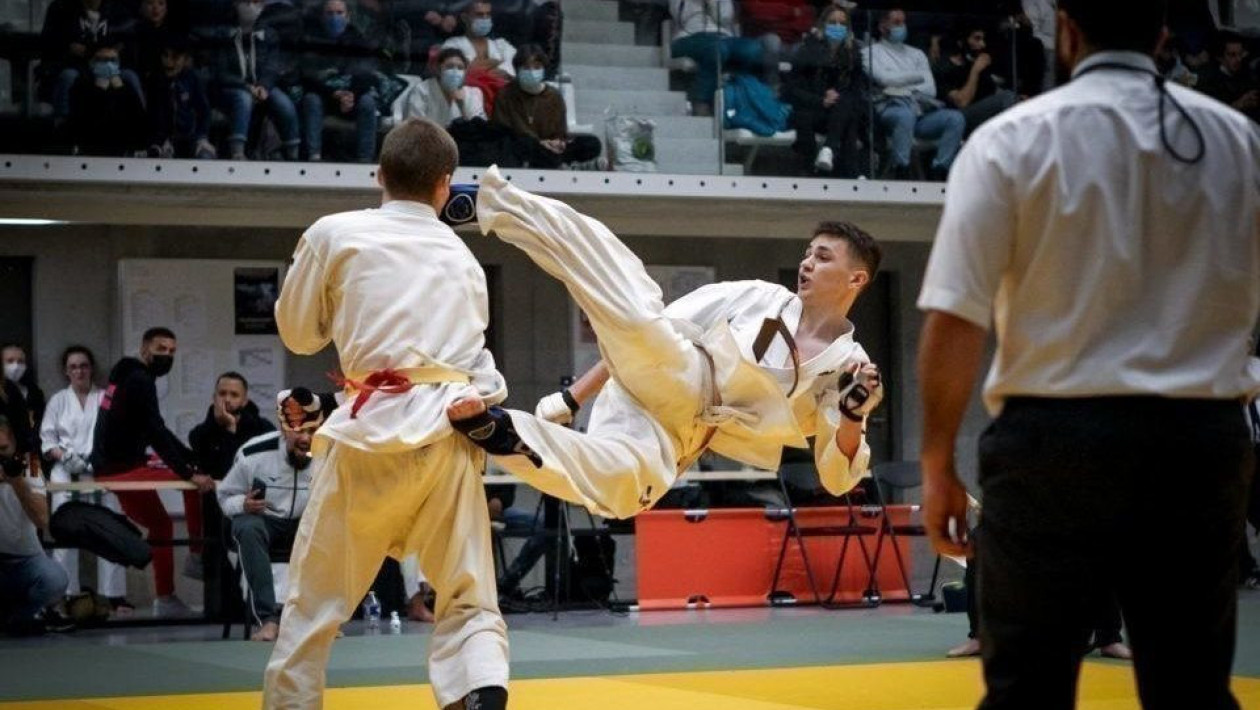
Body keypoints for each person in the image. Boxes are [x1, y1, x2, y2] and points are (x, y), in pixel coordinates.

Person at [916, 0, 1260, 707]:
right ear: (1162, 36)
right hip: (1200, 441)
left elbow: (955, 318)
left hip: (1054, 443)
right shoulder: (1236, 138)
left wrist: (936, 463)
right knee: (1192, 687)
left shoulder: (1012, 137)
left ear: (1065, 30)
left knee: (1026, 689)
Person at [446, 167, 884, 528]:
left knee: (620, 492)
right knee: (636, 313)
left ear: (856, 279)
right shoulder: (760, 297)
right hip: (681, 373)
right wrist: (570, 397)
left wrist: (852, 415)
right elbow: (649, 334)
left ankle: (501, 430)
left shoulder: (849, 367)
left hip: (683, 432)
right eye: (808, 253)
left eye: (823, 258)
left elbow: (837, 477)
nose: (807, 263)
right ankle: (492, 204)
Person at [264, 118, 510, 710]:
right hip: (450, 430)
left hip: (371, 433)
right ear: (445, 185)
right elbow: (475, 361)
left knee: (312, 606)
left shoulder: (335, 233)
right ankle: (477, 690)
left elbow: (298, 335)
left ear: (378, 173)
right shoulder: (465, 259)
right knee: (468, 597)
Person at [91, 327, 214, 617]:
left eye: (172, 351)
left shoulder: (126, 375)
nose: (167, 356)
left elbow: (152, 428)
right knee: (193, 488)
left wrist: (189, 459)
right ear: (145, 350)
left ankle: (168, 594)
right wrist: (188, 470)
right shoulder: (140, 381)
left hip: (120, 462)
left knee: (167, 517)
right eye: (161, 350)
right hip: (119, 470)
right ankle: (193, 560)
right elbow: (155, 432)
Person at [217, 388, 315, 642]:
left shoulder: (329, 455)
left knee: (338, 529)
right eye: (299, 431)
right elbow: (225, 496)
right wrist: (244, 504)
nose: (306, 439)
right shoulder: (253, 453)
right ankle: (269, 619)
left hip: (303, 525)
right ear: (284, 430)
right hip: (265, 522)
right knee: (247, 527)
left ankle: (321, 620)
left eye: (312, 431)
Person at [39, 345, 130, 612]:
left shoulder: (105, 398)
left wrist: (99, 457)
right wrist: (65, 456)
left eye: (84, 365)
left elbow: (118, 437)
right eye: (73, 366)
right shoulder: (58, 401)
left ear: (92, 368)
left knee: (110, 533)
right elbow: (47, 440)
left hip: (100, 475)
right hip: (66, 476)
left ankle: (113, 596)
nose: (79, 370)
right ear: (66, 371)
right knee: (66, 538)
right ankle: (65, 594)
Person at [863, 8, 966, 180]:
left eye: (903, 22)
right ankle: (901, 168)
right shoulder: (870, 52)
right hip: (888, 111)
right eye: (896, 23)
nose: (902, 26)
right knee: (904, 115)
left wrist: (898, 84)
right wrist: (915, 78)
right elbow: (884, 79)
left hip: (921, 114)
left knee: (955, 118)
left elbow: (930, 89)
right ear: (882, 26)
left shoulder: (917, 54)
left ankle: (940, 169)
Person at [206, 0, 302, 160]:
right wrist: (246, 87)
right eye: (246, 2)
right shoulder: (223, 34)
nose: (251, 7)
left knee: (283, 102)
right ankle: (238, 152)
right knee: (243, 99)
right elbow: (220, 72)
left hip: (261, 87)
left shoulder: (269, 35)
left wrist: (264, 86)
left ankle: (294, 154)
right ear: (236, 5)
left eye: (256, 2)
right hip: (231, 88)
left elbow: (272, 67)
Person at [0, 417, 69, 636]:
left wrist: (17, 481)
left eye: (3, 449)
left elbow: (42, 520)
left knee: (55, 579)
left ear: (13, 441)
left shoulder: (30, 463)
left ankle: (17, 619)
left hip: (26, 560)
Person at [783, 5, 869, 177]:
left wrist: (837, 95)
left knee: (847, 104)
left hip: (838, 113)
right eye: (833, 22)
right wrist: (821, 99)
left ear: (848, 28)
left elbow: (858, 89)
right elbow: (791, 89)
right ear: (823, 25)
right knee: (846, 111)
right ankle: (852, 172)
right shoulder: (807, 50)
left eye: (842, 23)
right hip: (812, 110)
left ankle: (829, 150)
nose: (837, 27)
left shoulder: (853, 54)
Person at [493, 44, 601, 169]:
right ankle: (562, 163)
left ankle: (559, 161)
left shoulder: (554, 96)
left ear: (544, 69)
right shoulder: (505, 95)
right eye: (526, 68)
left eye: (537, 67)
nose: (532, 72)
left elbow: (560, 132)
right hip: (522, 148)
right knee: (520, 146)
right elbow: (501, 131)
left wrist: (557, 143)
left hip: (549, 148)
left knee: (591, 144)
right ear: (517, 70)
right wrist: (537, 143)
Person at [300, 0, 381, 163]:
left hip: (352, 98)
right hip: (324, 96)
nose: (334, 17)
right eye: (329, 13)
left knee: (368, 102)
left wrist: (351, 94)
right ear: (322, 17)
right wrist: (333, 93)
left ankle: (365, 159)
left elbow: (367, 75)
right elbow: (307, 76)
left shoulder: (359, 40)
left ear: (348, 16)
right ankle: (313, 156)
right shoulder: (312, 41)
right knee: (311, 100)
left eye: (339, 13)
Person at [670, 0, 765, 116]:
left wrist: (712, 3)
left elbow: (724, 19)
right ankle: (701, 100)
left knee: (752, 49)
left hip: (723, 37)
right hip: (689, 37)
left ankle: (740, 97)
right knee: (718, 50)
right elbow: (681, 17)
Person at [67, 41, 150, 156]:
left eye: (112, 60)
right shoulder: (80, 86)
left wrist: (120, 89)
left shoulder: (126, 87)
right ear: (92, 63)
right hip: (91, 149)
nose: (108, 64)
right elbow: (80, 123)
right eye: (102, 60)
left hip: (122, 150)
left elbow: (139, 122)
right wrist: (99, 90)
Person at [934, 23, 1017, 135]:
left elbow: (993, 93)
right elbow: (962, 102)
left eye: (983, 39)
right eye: (977, 39)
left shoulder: (973, 63)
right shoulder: (944, 67)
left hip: (982, 115)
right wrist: (975, 71)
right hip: (957, 118)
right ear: (962, 41)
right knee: (1007, 96)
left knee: (1013, 98)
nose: (982, 44)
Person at [189, 371, 275, 480]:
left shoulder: (264, 430)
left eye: (234, 395)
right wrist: (230, 430)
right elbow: (220, 474)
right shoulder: (199, 435)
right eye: (222, 394)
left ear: (244, 401)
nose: (227, 399)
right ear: (214, 398)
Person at [146, 35, 216, 159]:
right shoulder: (154, 80)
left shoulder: (193, 78)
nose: (169, 61)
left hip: (192, 137)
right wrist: (160, 141)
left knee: (206, 156)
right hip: (165, 140)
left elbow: (204, 111)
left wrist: (202, 137)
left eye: (175, 57)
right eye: (165, 56)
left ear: (185, 60)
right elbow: (154, 116)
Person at [406, 47, 487, 127]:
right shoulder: (421, 90)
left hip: (463, 139)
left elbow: (479, 129)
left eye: (460, 68)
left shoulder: (474, 93)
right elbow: (415, 126)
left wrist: (461, 106)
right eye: (449, 67)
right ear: (438, 69)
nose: (455, 72)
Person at [1198, 34, 1260, 123]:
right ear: (1220, 57)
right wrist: (1239, 104)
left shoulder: (1246, 73)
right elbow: (1213, 117)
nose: (1238, 59)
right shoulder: (1210, 81)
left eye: (1240, 54)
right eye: (1232, 55)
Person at [2, 343, 47, 457]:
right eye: (10, 361)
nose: (16, 366)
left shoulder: (34, 391)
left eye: (20, 361)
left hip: (34, 452)